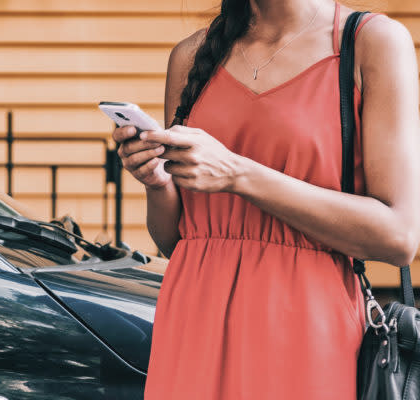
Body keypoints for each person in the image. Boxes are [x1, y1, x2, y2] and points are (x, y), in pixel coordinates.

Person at [111, 0, 420, 398]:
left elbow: (399, 236)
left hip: (303, 329)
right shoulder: (191, 56)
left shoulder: (369, 42)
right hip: (193, 319)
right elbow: (175, 240)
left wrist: (239, 174)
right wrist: (157, 182)